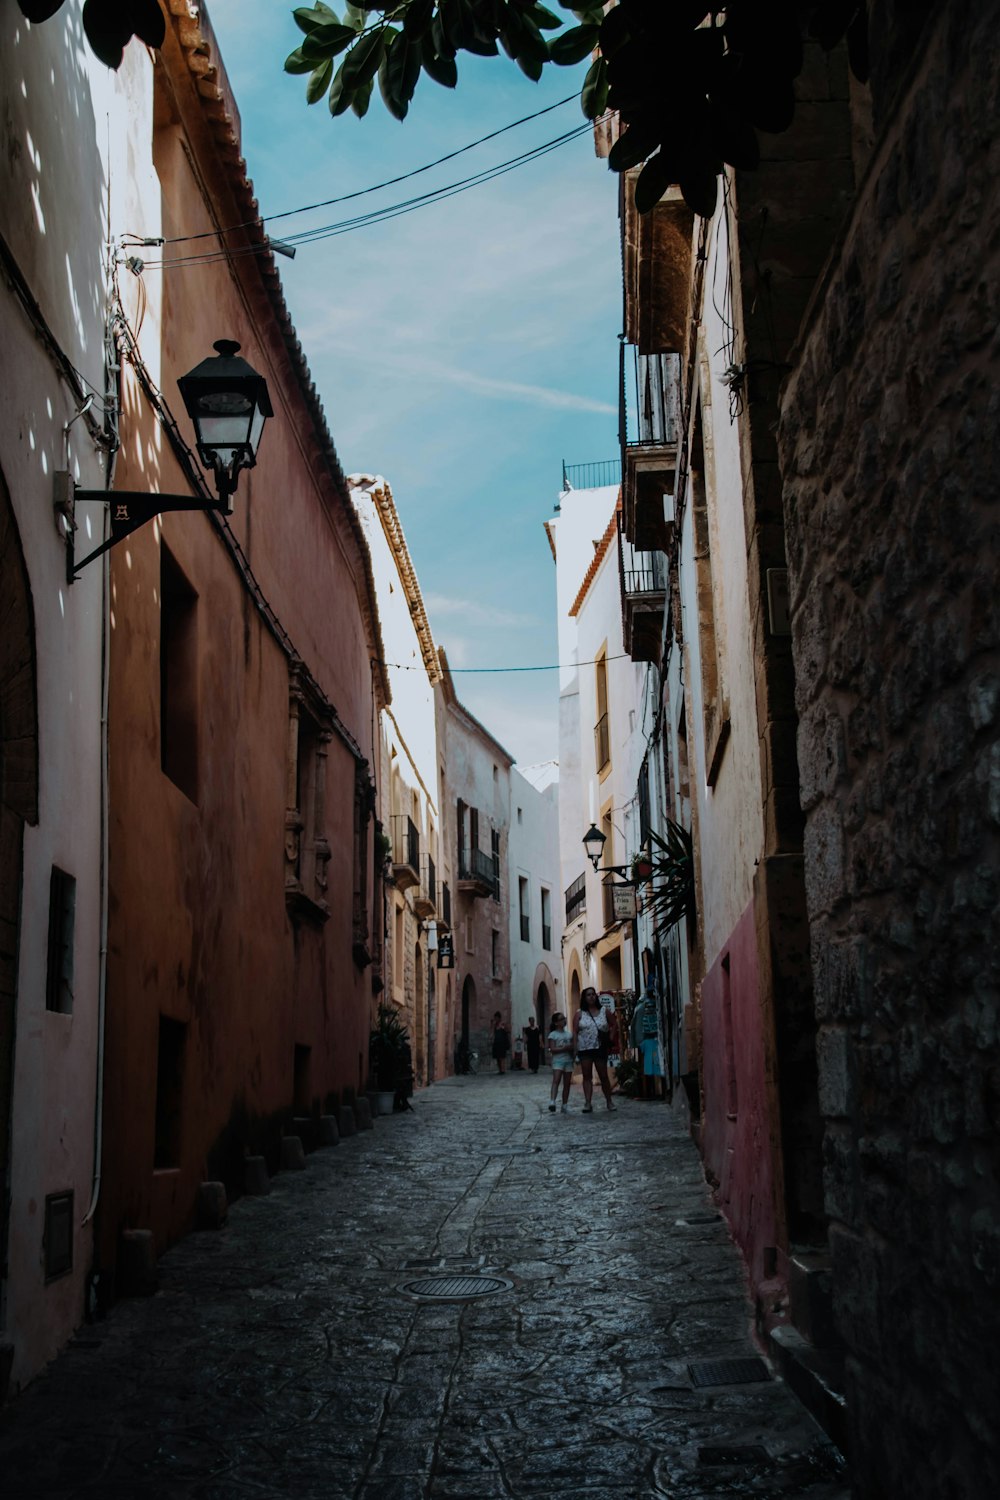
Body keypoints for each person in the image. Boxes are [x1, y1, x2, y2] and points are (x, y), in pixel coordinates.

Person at [572, 987, 616, 1112]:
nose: (591, 997)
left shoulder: (604, 1011)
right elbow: (575, 1031)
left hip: (600, 1047)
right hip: (585, 1048)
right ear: (584, 998)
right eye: (588, 995)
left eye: (593, 994)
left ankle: (609, 1101)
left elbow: (614, 1024)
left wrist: (611, 1037)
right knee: (587, 1076)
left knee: (603, 1076)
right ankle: (587, 1103)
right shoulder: (579, 1013)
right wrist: (575, 1048)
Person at [546, 1013, 574, 1112]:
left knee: (567, 1083)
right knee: (556, 1080)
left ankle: (565, 1104)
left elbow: (572, 1047)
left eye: (564, 1018)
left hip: (568, 1060)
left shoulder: (569, 1034)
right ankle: (552, 1101)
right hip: (558, 1060)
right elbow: (552, 1048)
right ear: (556, 1023)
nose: (564, 1020)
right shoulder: (553, 1035)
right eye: (561, 1019)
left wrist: (572, 1050)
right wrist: (564, 1048)